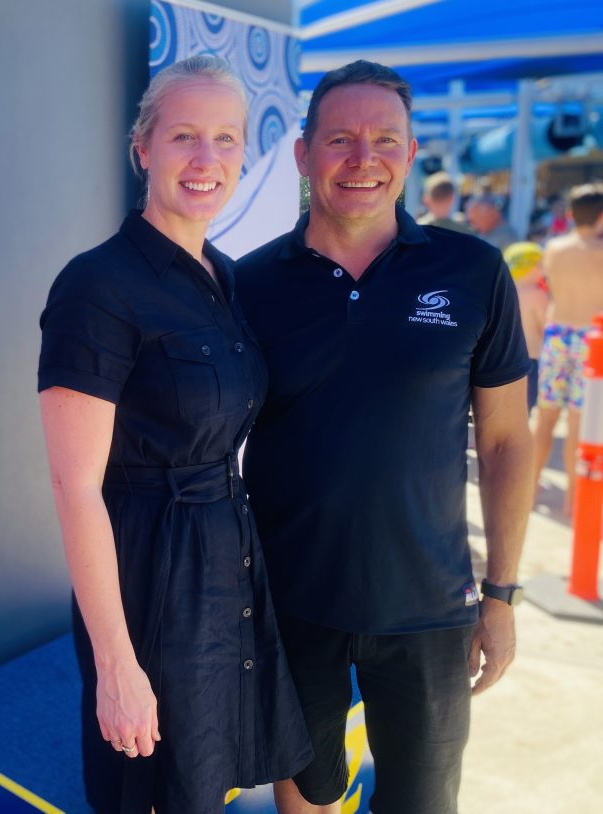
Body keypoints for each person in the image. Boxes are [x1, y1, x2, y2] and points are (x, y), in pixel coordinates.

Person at [236, 60, 533, 814]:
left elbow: (505, 441)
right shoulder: (250, 283)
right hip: (290, 600)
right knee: (307, 798)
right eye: (340, 139)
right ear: (304, 155)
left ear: (410, 152)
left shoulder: (472, 270)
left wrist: (500, 594)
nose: (363, 158)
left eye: (385, 140)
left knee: (422, 803)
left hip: (429, 604)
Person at [37, 55, 310, 813]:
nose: (207, 159)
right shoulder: (98, 286)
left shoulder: (222, 277)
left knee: (203, 778)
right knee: (153, 789)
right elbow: (75, 487)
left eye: (226, 139)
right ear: (143, 147)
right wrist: (117, 664)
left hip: (225, 568)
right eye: (185, 135)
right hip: (151, 582)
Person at [532, 183, 603, 515]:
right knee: (580, 424)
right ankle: (573, 504)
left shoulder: (554, 248)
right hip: (591, 340)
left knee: (544, 419)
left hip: (557, 333)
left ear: (572, 214)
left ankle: (528, 491)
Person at [502, 241, 549, 413]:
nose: (544, 270)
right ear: (530, 267)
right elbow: (545, 327)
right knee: (524, 409)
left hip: (504, 357)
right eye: (541, 264)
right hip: (530, 359)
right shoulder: (537, 295)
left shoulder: (504, 289)